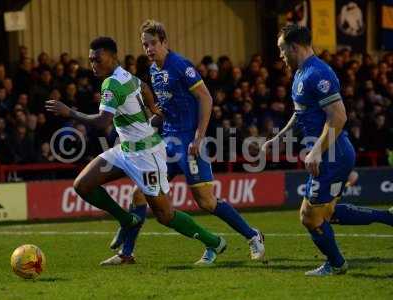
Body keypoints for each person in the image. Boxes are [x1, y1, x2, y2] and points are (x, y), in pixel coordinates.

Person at [45, 36, 226, 266]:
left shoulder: (112, 83)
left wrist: (69, 112)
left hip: (146, 155)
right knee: (82, 184)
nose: (93, 65)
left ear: (112, 57)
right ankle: (127, 221)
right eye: (90, 60)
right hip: (125, 151)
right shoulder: (125, 76)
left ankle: (214, 241)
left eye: (97, 59)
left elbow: (102, 122)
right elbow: (144, 86)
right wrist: (152, 108)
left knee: (165, 215)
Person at [111, 20, 265, 266]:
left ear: (165, 42)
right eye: (145, 44)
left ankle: (253, 235)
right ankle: (126, 253)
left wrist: (199, 136)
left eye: (153, 44)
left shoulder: (180, 65)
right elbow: (167, 107)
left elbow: (205, 97)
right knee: (139, 193)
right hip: (166, 143)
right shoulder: (154, 70)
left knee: (206, 202)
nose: (149, 49)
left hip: (189, 143)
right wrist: (152, 120)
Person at [262, 24, 393, 276]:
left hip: (333, 154)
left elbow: (339, 117)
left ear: (294, 47)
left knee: (309, 217)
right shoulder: (300, 75)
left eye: (281, 50)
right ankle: (387, 217)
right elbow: (299, 114)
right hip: (328, 154)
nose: (280, 56)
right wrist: (278, 138)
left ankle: (336, 264)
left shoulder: (318, 73)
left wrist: (316, 151)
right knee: (327, 212)